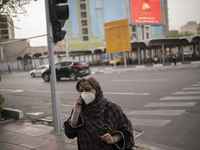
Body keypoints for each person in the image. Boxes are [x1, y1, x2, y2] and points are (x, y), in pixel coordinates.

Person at [64, 76, 134, 150]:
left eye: (88, 89)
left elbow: (127, 128)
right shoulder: (79, 109)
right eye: (81, 91)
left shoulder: (111, 108)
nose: (84, 93)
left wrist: (114, 139)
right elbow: (70, 133)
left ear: (97, 90)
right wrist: (76, 111)